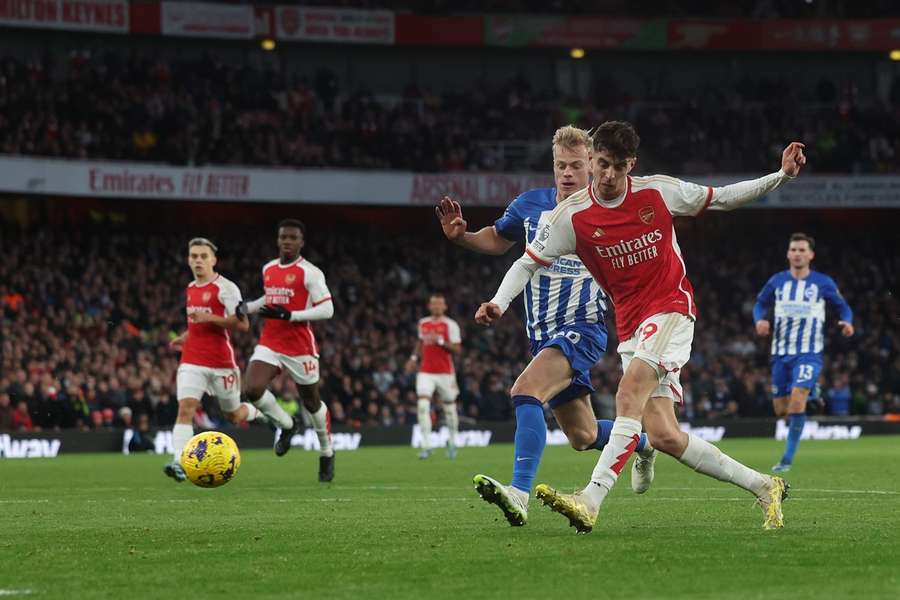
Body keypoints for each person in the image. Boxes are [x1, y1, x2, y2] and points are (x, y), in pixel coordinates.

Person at [477, 121, 805, 532]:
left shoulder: (656, 191)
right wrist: (498, 302)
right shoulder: (571, 217)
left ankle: (590, 500)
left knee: (627, 392)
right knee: (665, 435)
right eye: (601, 164)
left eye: (618, 166)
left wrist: (780, 176)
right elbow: (527, 262)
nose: (608, 175)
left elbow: (721, 198)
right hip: (631, 325)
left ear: (630, 165)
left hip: (670, 307)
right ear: (593, 159)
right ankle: (764, 486)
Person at [436, 125, 648, 527]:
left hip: (583, 328)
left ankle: (519, 494)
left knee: (525, 390)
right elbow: (497, 240)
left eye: (575, 165)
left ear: (593, 165)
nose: (567, 173)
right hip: (542, 336)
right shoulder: (530, 205)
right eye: (560, 166)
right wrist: (462, 237)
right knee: (583, 436)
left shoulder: (608, 209)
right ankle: (642, 439)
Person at [164, 237, 268, 482]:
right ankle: (179, 462)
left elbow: (242, 324)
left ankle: (262, 415)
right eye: (194, 256)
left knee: (233, 414)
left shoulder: (227, 288)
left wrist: (209, 317)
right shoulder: (191, 288)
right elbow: (198, 324)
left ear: (213, 260)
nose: (198, 260)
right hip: (192, 360)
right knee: (185, 409)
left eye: (203, 256)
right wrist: (185, 336)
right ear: (189, 260)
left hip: (221, 363)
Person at [244, 219, 336, 482]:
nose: (287, 241)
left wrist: (291, 315)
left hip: (299, 346)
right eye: (283, 237)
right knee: (251, 389)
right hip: (270, 341)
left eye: (292, 238)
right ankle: (286, 425)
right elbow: (269, 299)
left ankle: (326, 451)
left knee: (311, 402)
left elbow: (327, 309)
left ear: (301, 242)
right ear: (278, 239)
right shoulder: (269, 269)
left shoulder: (310, 273)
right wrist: (247, 307)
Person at [753, 233, 854, 472]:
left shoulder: (822, 283)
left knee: (796, 402)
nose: (797, 254)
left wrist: (847, 322)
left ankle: (786, 460)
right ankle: (812, 393)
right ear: (788, 254)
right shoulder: (777, 281)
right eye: (794, 250)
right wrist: (759, 320)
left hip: (809, 352)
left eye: (802, 250)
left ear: (810, 255)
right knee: (781, 410)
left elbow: (843, 307)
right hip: (780, 354)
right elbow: (760, 304)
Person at [406, 293, 462, 459]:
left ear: (444, 307)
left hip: (445, 372)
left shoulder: (450, 325)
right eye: (434, 304)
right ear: (430, 306)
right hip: (426, 372)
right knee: (423, 406)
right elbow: (419, 343)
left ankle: (453, 441)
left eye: (439, 304)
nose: (436, 306)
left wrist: (441, 342)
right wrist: (413, 358)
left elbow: (458, 350)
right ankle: (427, 444)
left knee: (450, 409)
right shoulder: (423, 323)